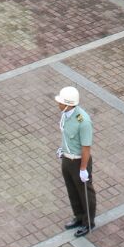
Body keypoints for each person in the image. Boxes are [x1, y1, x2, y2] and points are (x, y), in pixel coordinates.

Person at [55, 85, 95, 238]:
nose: (58, 104)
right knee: (72, 190)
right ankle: (79, 216)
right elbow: (67, 136)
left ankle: (88, 222)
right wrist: (63, 149)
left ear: (68, 104)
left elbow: (86, 148)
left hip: (79, 162)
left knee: (85, 193)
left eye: (61, 102)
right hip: (67, 159)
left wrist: (83, 169)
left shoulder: (83, 121)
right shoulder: (66, 115)